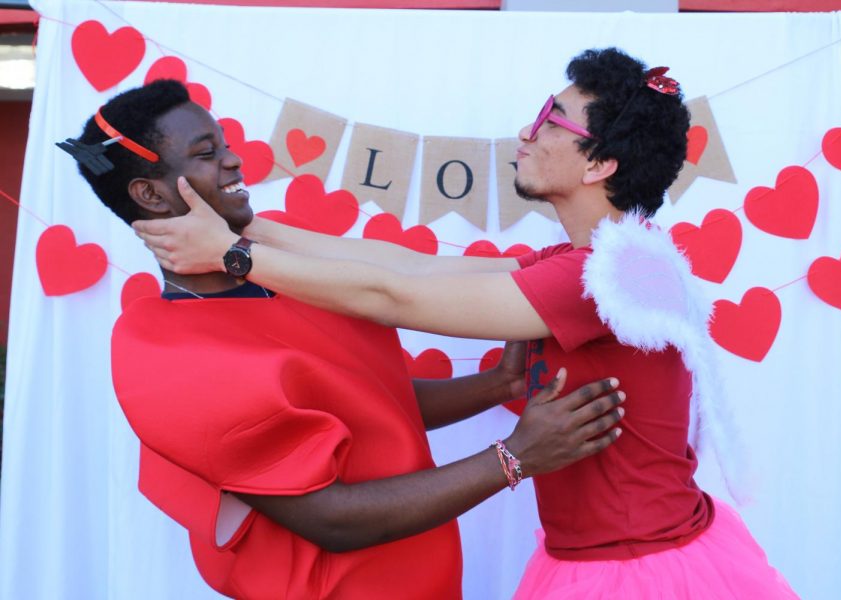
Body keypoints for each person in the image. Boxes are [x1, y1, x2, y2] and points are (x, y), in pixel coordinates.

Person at [136, 48, 799, 598]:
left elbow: (396, 296)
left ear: (600, 164)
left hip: (638, 573)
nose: (527, 134)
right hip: (592, 559)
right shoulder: (587, 260)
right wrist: (243, 226)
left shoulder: (607, 278)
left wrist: (232, 256)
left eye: (552, 122)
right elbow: (407, 267)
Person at [63, 79, 628, 600]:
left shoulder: (287, 279)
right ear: (151, 195)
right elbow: (329, 518)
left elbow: (372, 400)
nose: (234, 159)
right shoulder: (168, 354)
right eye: (207, 154)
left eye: (225, 143)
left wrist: (496, 384)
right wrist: (513, 458)